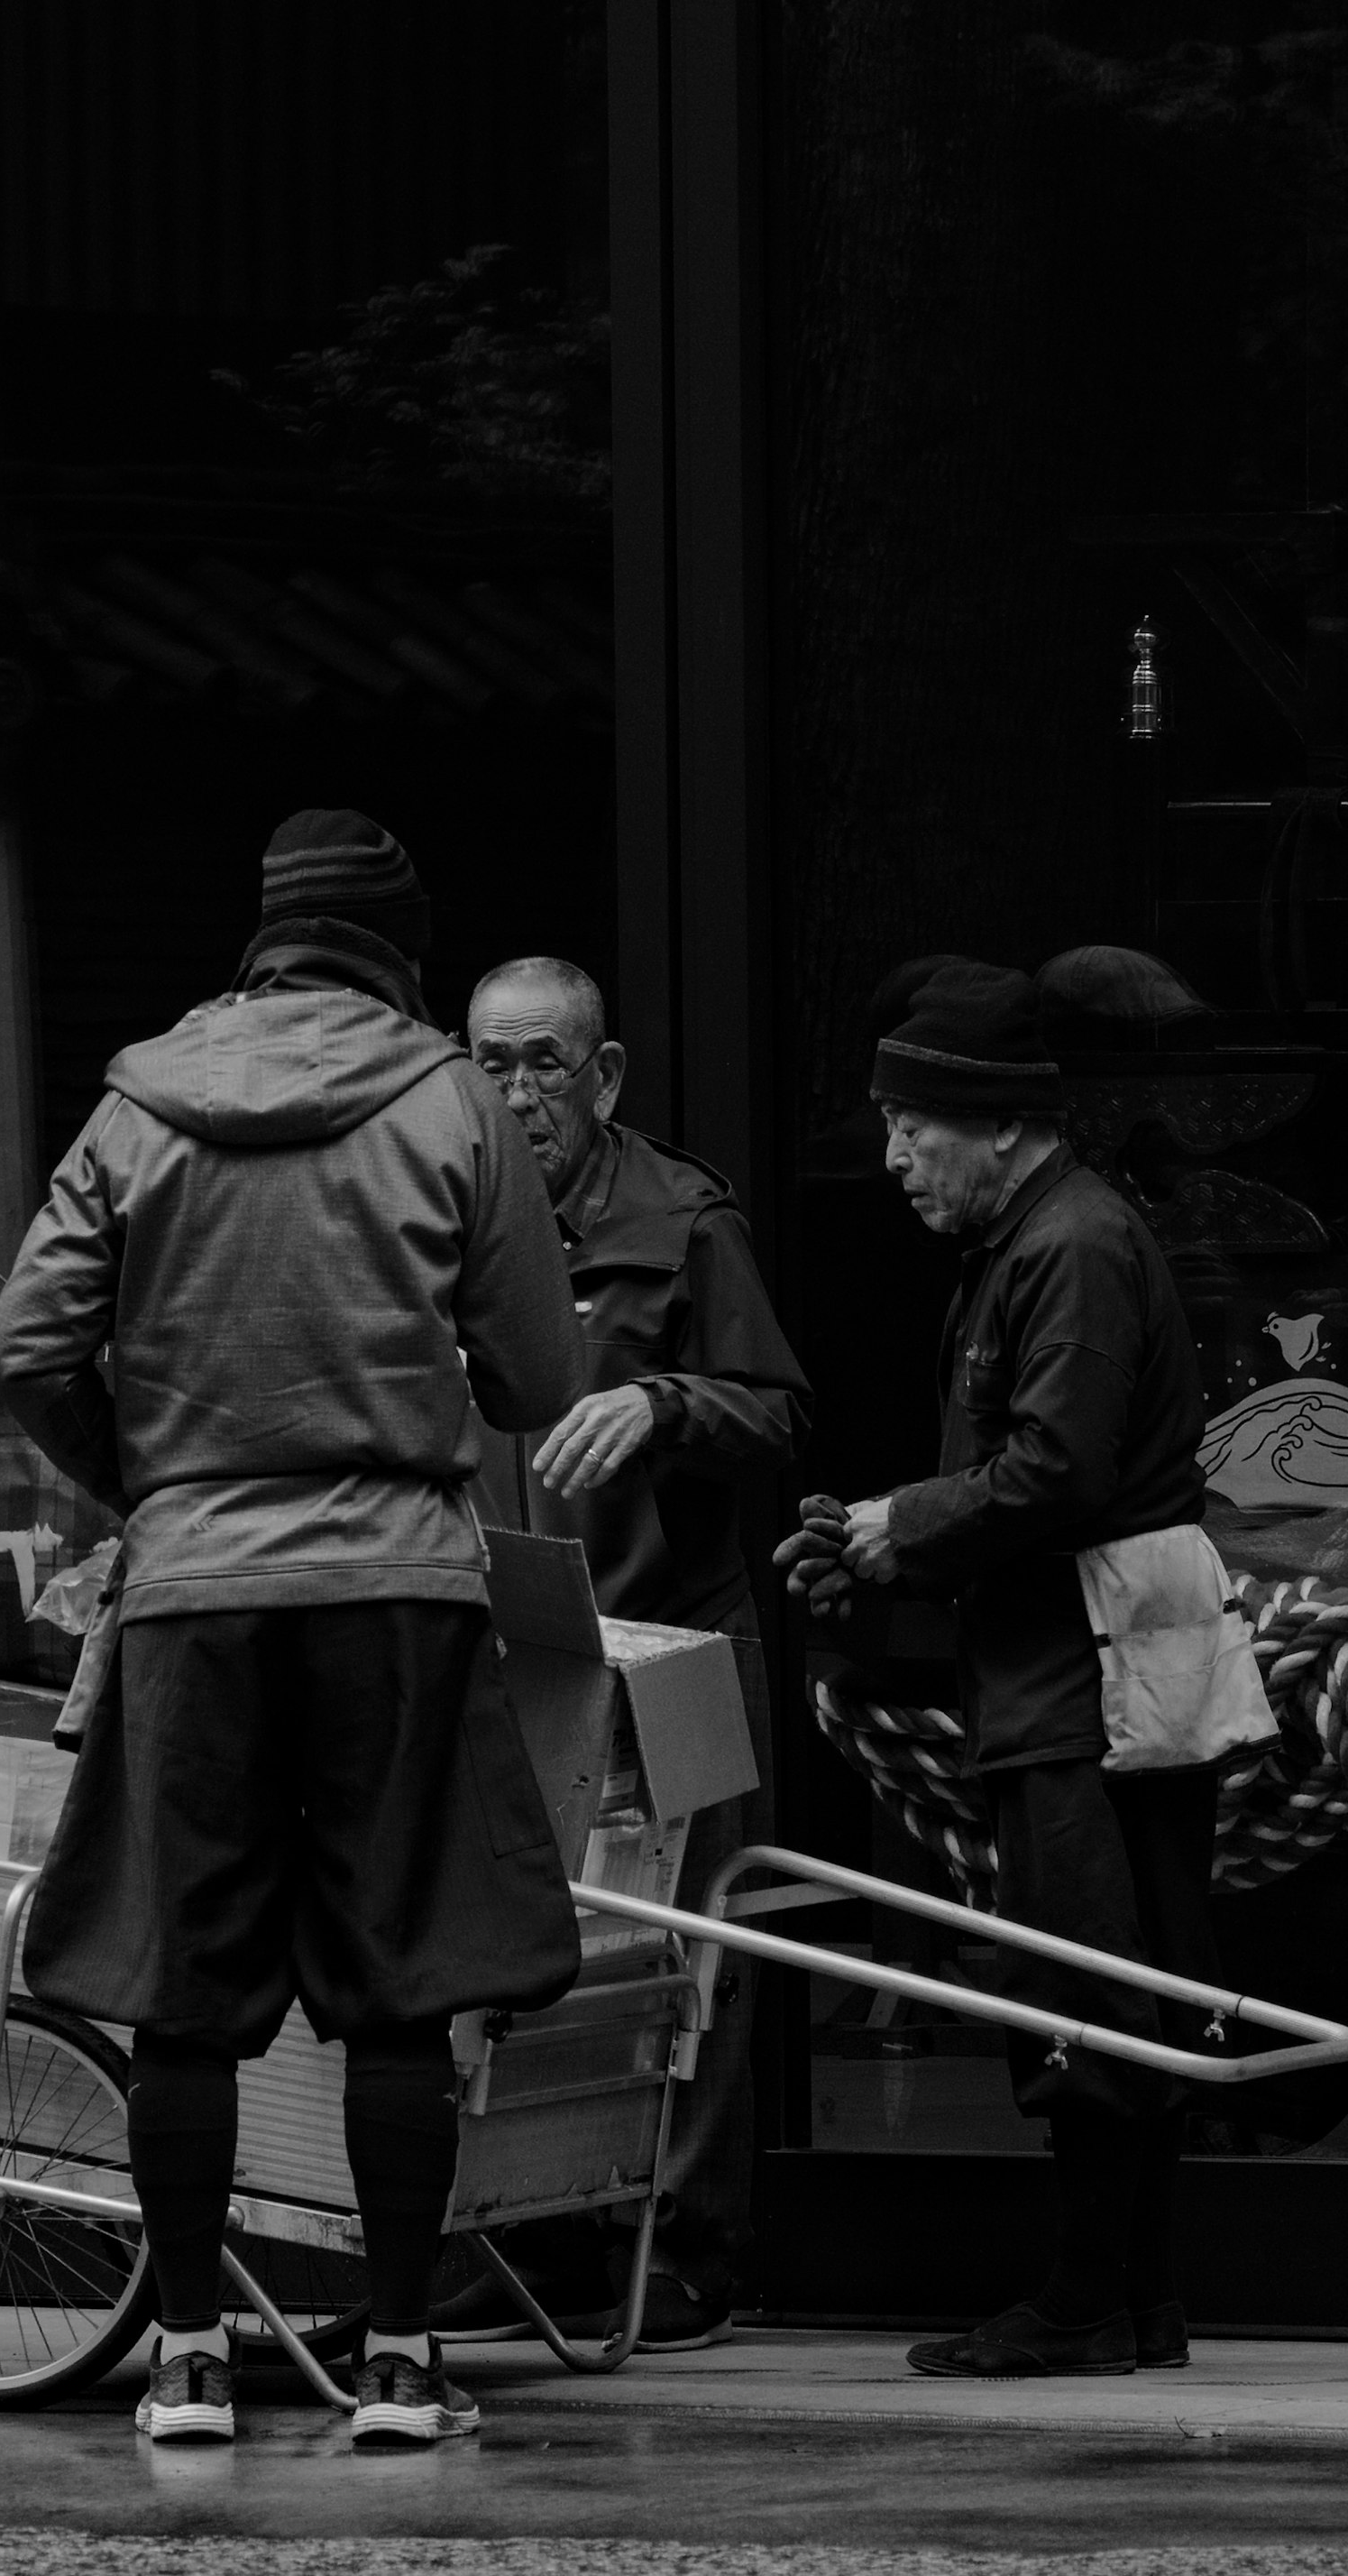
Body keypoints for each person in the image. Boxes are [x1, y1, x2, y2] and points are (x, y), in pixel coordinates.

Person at [0, 809, 589, 2449]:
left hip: (192, 1597)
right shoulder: (450, 1099)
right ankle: (399, 2362)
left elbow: (23, 1343)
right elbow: (540, 1380)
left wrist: (146, 1485)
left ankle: (185, 2360)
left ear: (260, 941)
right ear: (398, 951)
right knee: (403, 1983)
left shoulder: (134, 1108)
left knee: (184, 1988)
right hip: (396, 1589)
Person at [775, 955, 1219, 2379]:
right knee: (1124, 1976)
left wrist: (901, 1525)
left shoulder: (1067, 1245)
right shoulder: (1035, 1237)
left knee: (1086, 1983)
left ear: (1002, 1125)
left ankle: (1090, 2303)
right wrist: (876, 1547)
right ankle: (1135, 2303)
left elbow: (1057, 1468)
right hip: (1083, 1661)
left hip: (1087, 1674)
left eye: (915, 1126)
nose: (895, 1156)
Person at [448, 955, 811, 2350]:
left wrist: (666, 1405)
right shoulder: (440, 1206)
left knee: (694, 1952)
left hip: (676, 1643)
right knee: (523, 1952)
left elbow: (781, 1418)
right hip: (512, 1646)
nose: (516, 1090)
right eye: (491, 1061)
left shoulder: (683, 1218)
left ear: (601, 1079)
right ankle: (523, 2245)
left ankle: (688, 2254)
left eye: (544, 1063)